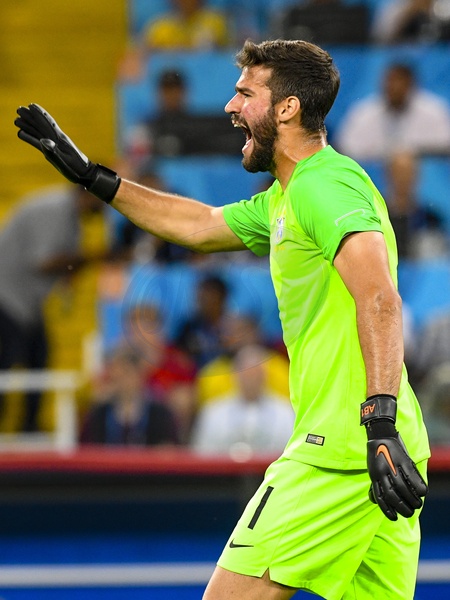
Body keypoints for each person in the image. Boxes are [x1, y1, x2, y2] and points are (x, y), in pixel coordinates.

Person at [15, 38, 430, 599]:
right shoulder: (287, 196)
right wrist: (94, 177)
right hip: (384, 448)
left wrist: (377, 424)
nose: (231, 107)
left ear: (287, 108)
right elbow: (199, 224)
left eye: (245, 94)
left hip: (344, 449)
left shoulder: (324, 185)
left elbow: (378, 297)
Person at [0, 184, 107, 432]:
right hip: (7, 296)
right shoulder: (55, 209)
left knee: (38, 357)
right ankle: (22, 424)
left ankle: (30, 426)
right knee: (11, 358)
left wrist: (76, 266)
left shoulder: (71, 215)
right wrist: (90, 258)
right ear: (88, 193)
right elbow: (43, 262)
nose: (104, 205)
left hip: (25, 303)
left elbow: (63, 263)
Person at [191, 344, 294, 457]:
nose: (251, 380)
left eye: (256, 374)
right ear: (235, 376)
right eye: (247, 375)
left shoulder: (285, 411)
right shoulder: (214, 412)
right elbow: (202, 453)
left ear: (265, 376)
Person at [335, 62, 450, 161]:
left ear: (411, 85)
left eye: (400, 82)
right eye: (391, 82)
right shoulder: (363, 113)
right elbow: (345, 149)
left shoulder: (434, 111)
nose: (395, 87)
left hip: (429, 176)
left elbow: (444, 148)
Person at [80, 345, 179, 446]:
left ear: (140, 374)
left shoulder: (160, 415)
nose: (121, 380)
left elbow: (169, 449)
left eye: (126, 373)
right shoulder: (99, 415)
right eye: (116, 374)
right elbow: (86, 449)